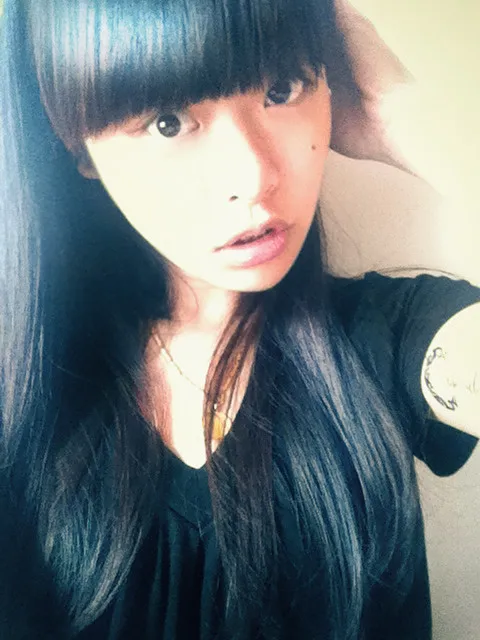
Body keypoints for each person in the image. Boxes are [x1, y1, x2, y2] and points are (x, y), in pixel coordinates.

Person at [0, 0, 478, 638]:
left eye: (282, 88)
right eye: (168, 122)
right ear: (79, 149)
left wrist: (400, 116)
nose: (253, 177)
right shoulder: (23, 390)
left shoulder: (391, 337)